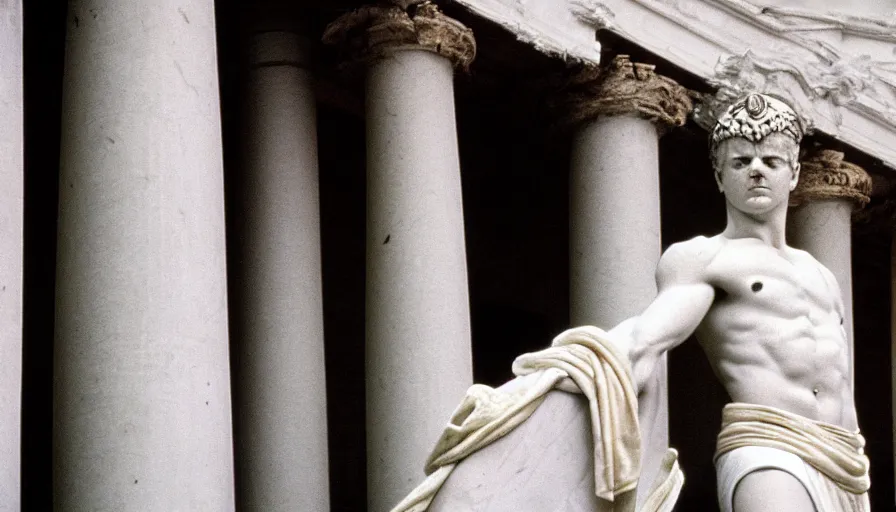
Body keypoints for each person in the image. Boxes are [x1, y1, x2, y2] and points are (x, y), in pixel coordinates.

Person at [609, 93, 870, 511]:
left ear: (794, 174)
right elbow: (644, 341)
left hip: (842, 460)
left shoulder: (821, 275)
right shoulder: (705, 258)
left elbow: (843, 384)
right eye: (740, 161)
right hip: (768, 447)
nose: (756, 171)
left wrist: (858, 466)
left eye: (771, 161)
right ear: (718, 176)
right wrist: (584, 367)